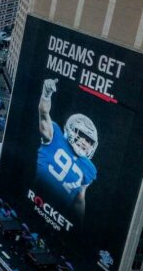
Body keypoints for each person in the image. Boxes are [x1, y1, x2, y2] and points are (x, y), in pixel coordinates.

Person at [37, 78, 98, 220]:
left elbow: (79, 200)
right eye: (82, 135)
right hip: (38, 195)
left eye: (89, 141)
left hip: (60, 213)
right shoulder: (55, 136)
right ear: (71, 129)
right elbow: (44, 114)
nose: (85, 143)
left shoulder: (90, 169)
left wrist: (78, 226)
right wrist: (46, 95)